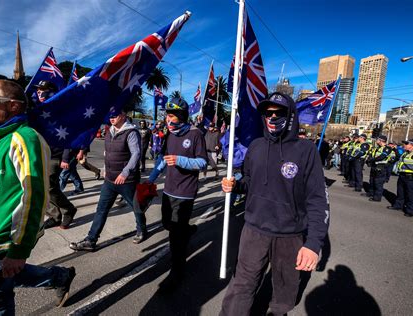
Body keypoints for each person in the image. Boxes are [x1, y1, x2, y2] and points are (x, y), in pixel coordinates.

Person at [0, 79, 75, 314]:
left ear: (13, 106)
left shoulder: (25, 138)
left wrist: (19, 250)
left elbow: (35, 198)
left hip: (2, 238)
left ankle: (58, 276)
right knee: (7, 277)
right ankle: (59, 276)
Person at [220, 92, 329, 316]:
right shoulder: (256, 146)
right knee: (241, 286)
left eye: (278, 113)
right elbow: (250, 181)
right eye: (267, 113)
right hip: (253, 231)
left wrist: (313, 244)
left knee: (284, 293)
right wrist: (236, 185)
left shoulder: (306, 150)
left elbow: (318, 200)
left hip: (289, 236)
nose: (271, 117)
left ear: (290, 116)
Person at [147, 97, 208, 291]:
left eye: (172, 115)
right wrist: (150, 180)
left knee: (175, 237)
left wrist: (181, 160)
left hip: (185, 193)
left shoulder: (195, 134)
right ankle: (188, 231)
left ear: (182, 116)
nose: (168, 119)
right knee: (167, 224)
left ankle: (177, 271)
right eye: (167, 115)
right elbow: (164, 160)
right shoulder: (170, 134)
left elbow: (202, 163)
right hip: (169, 189)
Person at [70, 108, 147, 250]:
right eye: (110, 116)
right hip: (110, 180)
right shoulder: (109, 131)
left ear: (123, 115)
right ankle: (91, 240)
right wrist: (105, 169)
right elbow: (107, 153)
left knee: (136, 207)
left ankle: (142, 229)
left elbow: (136, 154)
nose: (112, 119)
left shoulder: (131, 132)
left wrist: (125, 173)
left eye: (115, 116)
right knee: (101, 209)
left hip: (126, 181)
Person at [36, 81, 78, 230]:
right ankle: (55, 215)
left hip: (56, 155)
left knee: (50, 188)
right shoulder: (39, 110)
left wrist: (66, 157)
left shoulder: (61, 111)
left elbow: (71, 136)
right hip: (40, 154)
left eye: (44, 90)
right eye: (38, 91)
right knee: (39, 189)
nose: (40, 93)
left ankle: (68, 209)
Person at [387, 139, 413, 217]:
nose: (404, 145)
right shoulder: (405, 154)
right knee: (400, 192)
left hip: (411, 178)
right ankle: (398, 205)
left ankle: (410, 211)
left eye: (406, 144)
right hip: (402, 176)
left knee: (411, 194)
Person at [365, 135, 392, 202]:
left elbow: (382, 157)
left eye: (377, 139)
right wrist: (369, 160)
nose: (376, 141)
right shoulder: (378, 148)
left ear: (381, 140)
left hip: (381, 167)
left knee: (378, 182)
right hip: (374, 166)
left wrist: (372, 160)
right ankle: (371, 193)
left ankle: (377, 197)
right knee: (372, 181)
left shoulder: (387, 148)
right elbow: (372, 155)